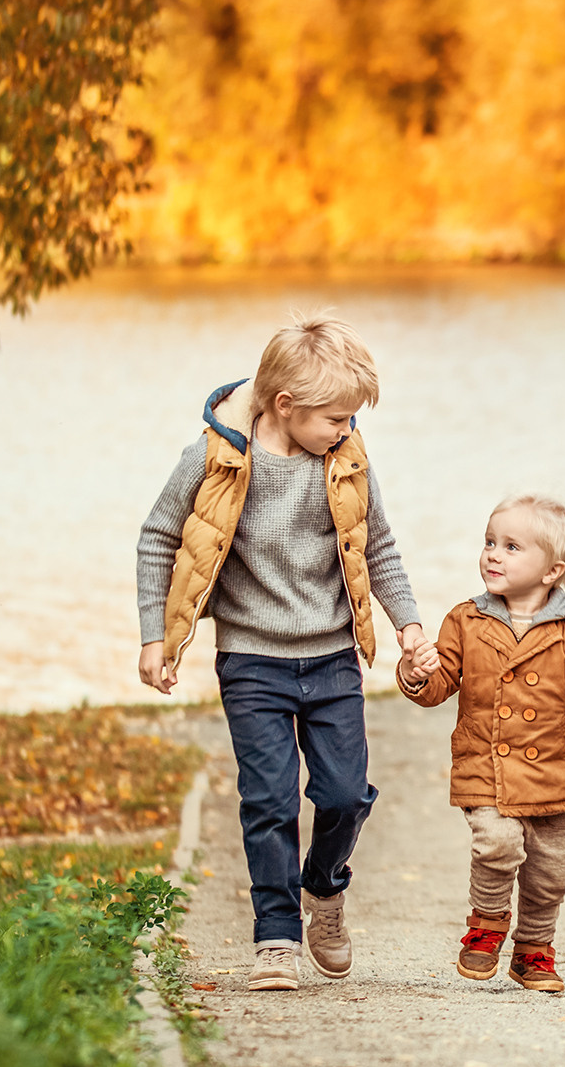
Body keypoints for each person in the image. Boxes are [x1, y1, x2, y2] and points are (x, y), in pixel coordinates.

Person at [135, 313, 437, 992]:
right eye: (336, 417)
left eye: (353, 417)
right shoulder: (214, 460)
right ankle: (276, 935)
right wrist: (156, 635)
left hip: (331, 658)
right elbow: (158, 537)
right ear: (285, 405)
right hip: (252, 662)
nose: (347, 429)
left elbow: (378, 546)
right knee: (267, 799)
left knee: (344, 795)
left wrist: (409, 628)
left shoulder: (348, 461)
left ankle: (324, 888)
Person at [397, 495, 565, 994]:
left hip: (555, 774)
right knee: (497, 843)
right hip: (487, 766)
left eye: (511, 547)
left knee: (550, 876)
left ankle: (533, 951)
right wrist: (418, 672)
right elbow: (440, 683)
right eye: (489, 542)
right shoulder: (466, 620)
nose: (493, 555)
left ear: (552, 570)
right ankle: (485, 927)